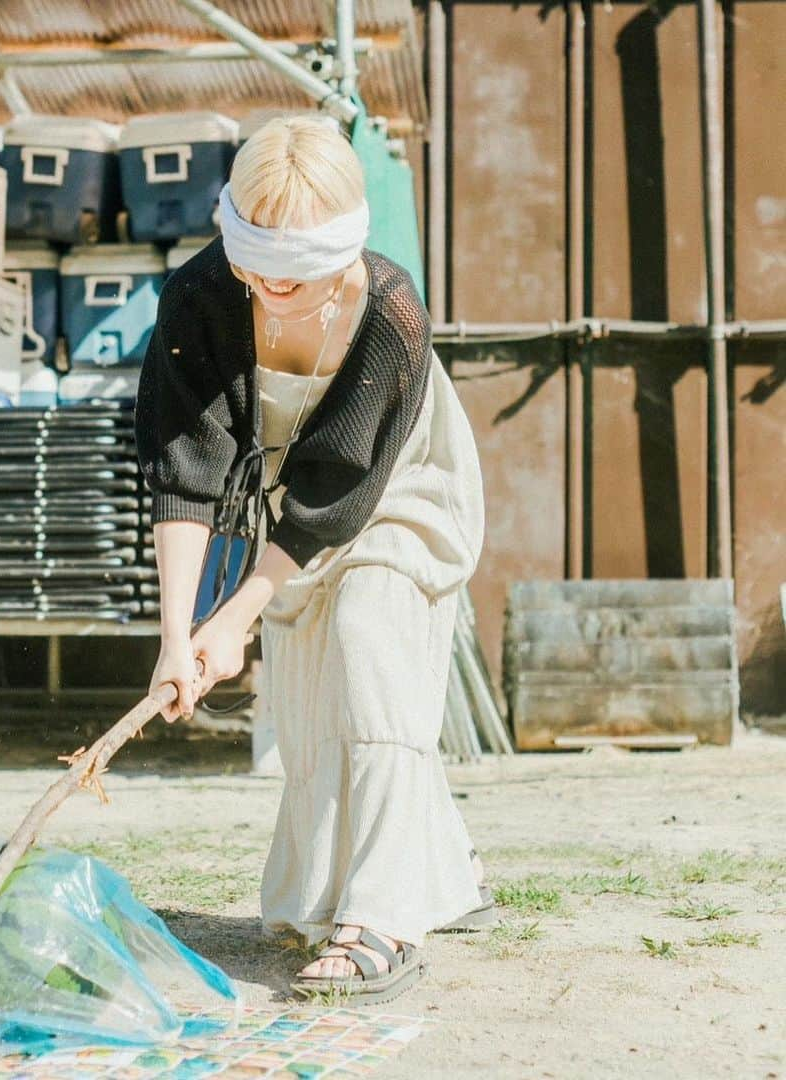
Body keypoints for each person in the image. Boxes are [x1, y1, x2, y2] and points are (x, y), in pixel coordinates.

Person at [135, 116, 492, 1003]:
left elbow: (337, 497)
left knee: (370, 639)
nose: (267, 293)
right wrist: (180, 635)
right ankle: (440, 866)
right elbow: (185, 473)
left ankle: (384, 917)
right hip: (290, 497)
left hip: (394, 484)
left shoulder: (391, 316)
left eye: (291, 280)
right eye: (253, 269)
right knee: (309, 698)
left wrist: (237, 614)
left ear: (340, 254)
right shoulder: (200, 296)